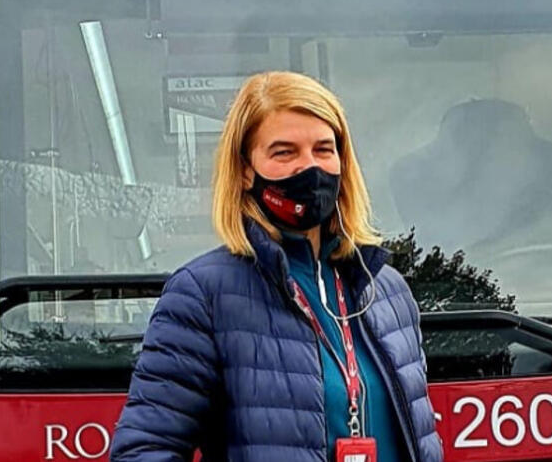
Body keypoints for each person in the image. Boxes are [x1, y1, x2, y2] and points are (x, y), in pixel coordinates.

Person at [111, 71, 443, 462]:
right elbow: (144, 449)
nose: (310, 168)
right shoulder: (203, 294)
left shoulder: (386, 290)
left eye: (324, 149)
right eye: (284, 152)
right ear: (246, 169)